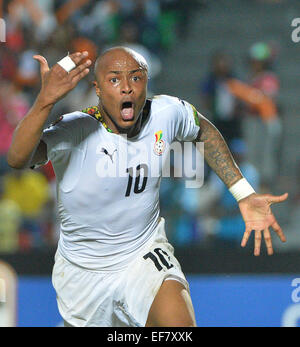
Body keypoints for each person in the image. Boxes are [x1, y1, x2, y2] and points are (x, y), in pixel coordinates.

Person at [7, 47, 288, 327]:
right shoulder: (76, 129)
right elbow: (18, 158)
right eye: (114, 79)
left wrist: (242, 192)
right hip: (84, 272)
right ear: (98, 89)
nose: (127, 88)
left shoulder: (166, 113)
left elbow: (202, 129)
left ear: (147, 83)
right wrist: (44, 101)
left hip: (142, 255)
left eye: (136, 78)